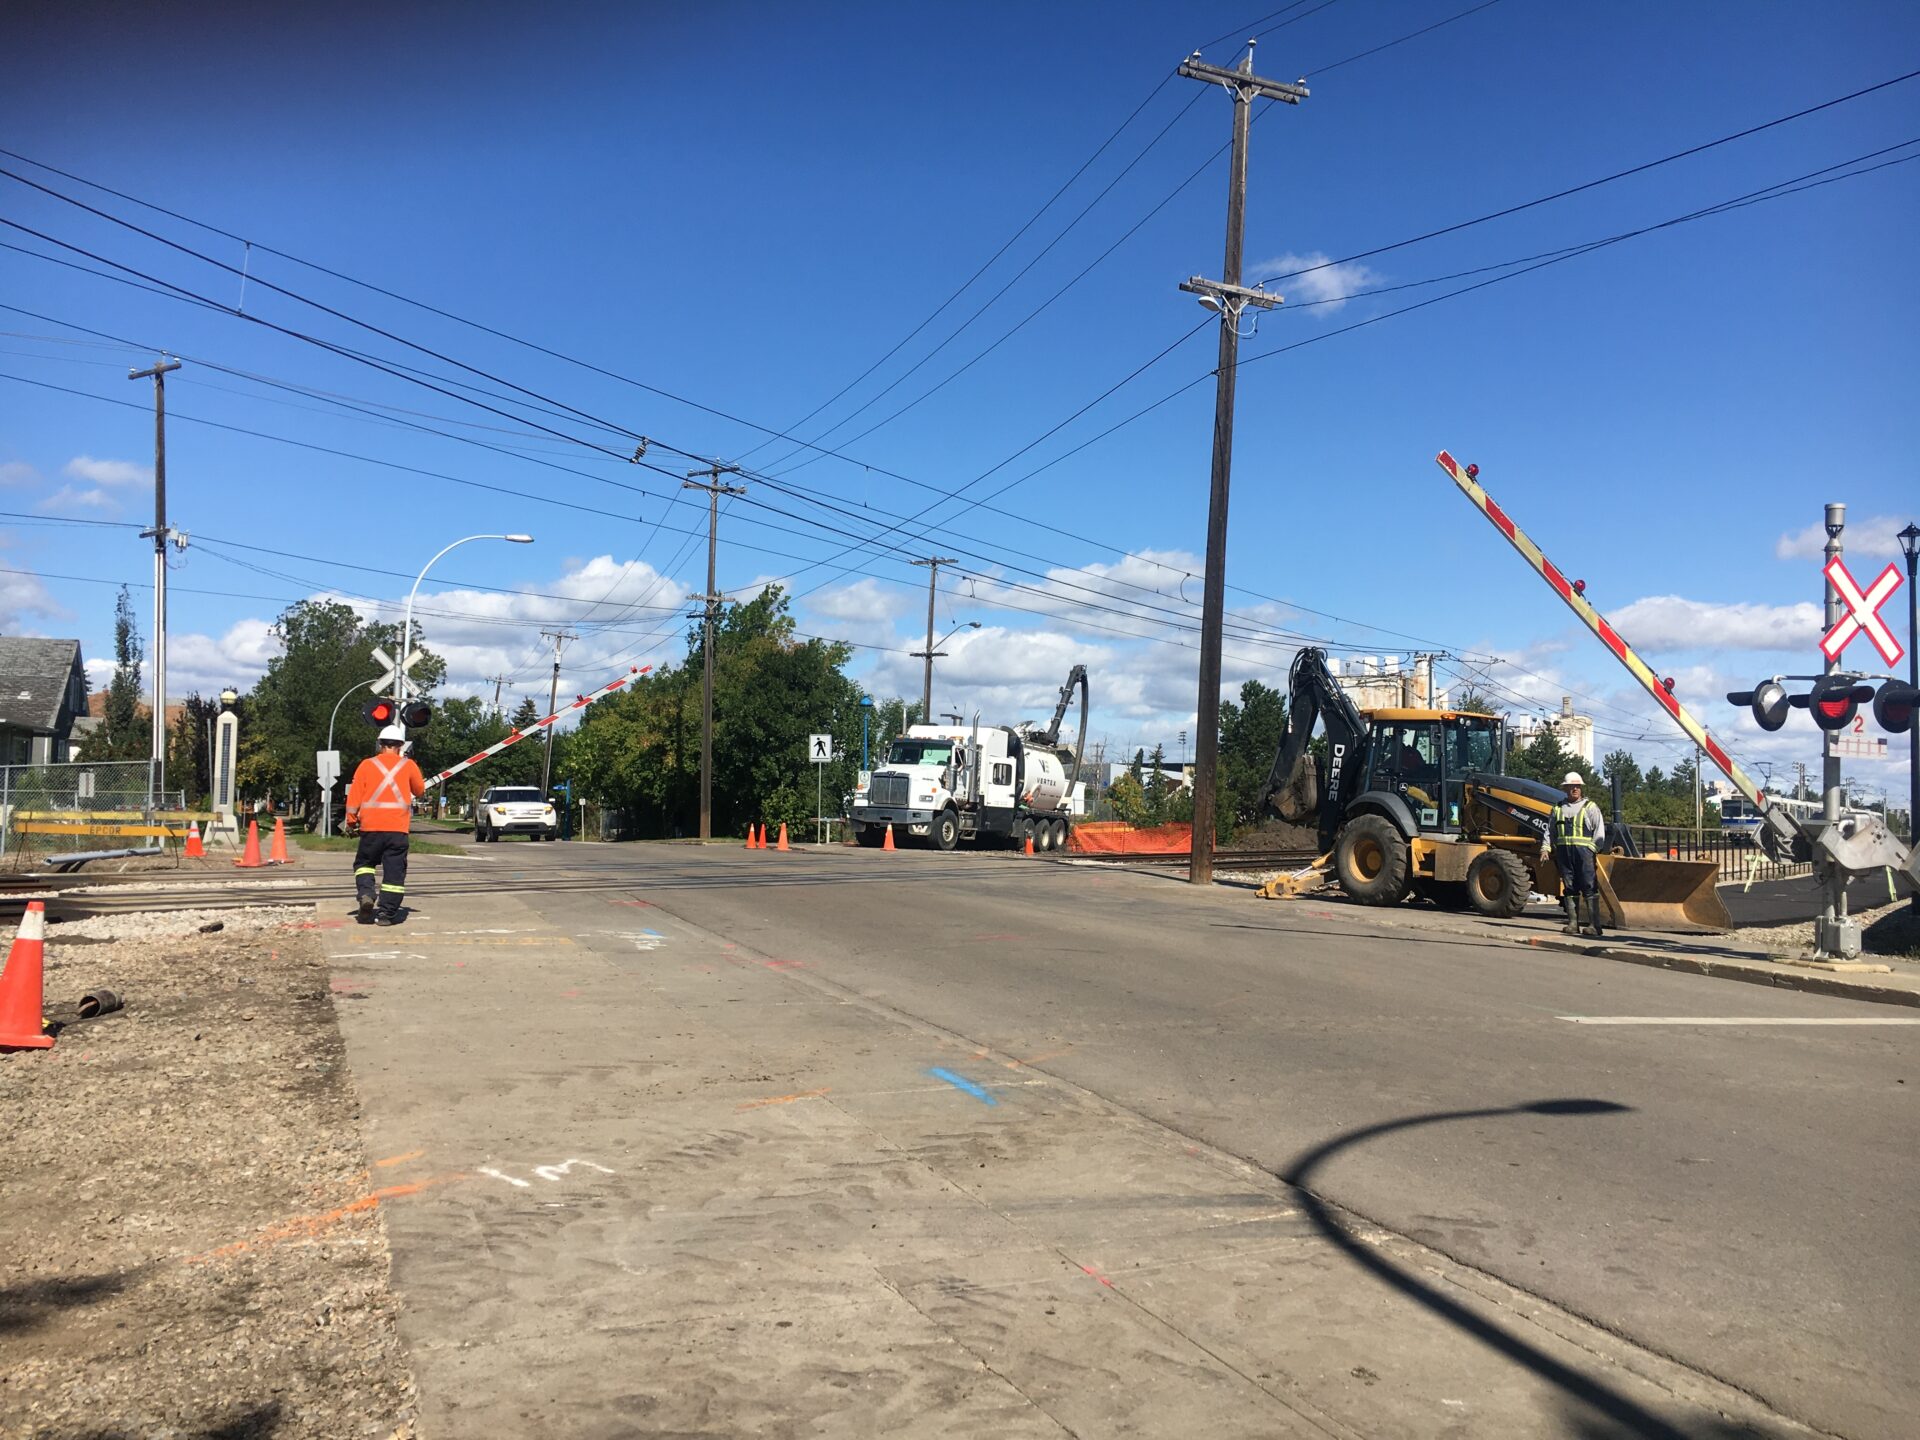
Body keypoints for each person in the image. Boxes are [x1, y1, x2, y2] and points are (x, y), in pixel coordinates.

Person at [344, 724, 426, 925]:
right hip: (397, 829)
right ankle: (386, 914)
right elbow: (420, 791)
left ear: (380, 744)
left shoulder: (366, 765)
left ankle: (367, 894)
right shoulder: (408, 765)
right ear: (400, 746)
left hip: (370, 827)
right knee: (394, 871)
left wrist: (351, 820)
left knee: (364, 864)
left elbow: (354, 796)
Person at [1550, 770, 1606, 937]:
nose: (1575, 789)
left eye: (1577, 786)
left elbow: (1600, 831)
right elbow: (1550, 830)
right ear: (1565, 788)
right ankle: (1573, 924)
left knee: (1589, 886)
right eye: (1572, 786)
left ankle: (1594, 925)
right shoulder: (1558, 808)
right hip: (1564, 853)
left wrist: (1592, 849)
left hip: (1584, 854)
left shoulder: (1590, 807)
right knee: (1569, 887)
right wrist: (1546, 848)